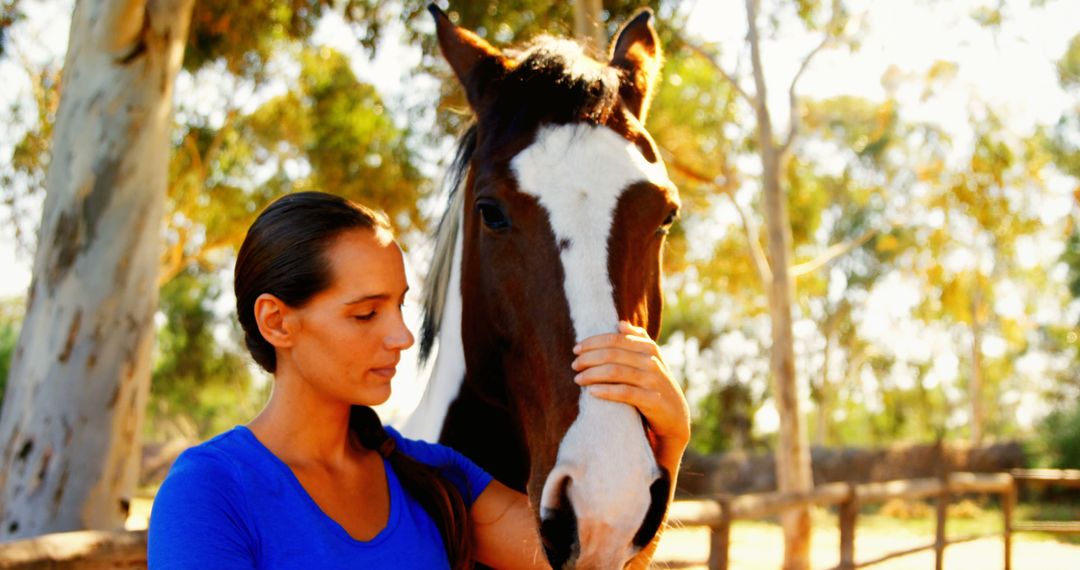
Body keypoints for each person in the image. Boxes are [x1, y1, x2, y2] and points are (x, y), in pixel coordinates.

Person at [146, 191, 690, 569]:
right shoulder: (210, 491)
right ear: (277, 321)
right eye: (365, 314)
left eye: (400, 306)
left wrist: (670, 441)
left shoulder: (436, 480)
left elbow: (599, 561)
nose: (403, 336)